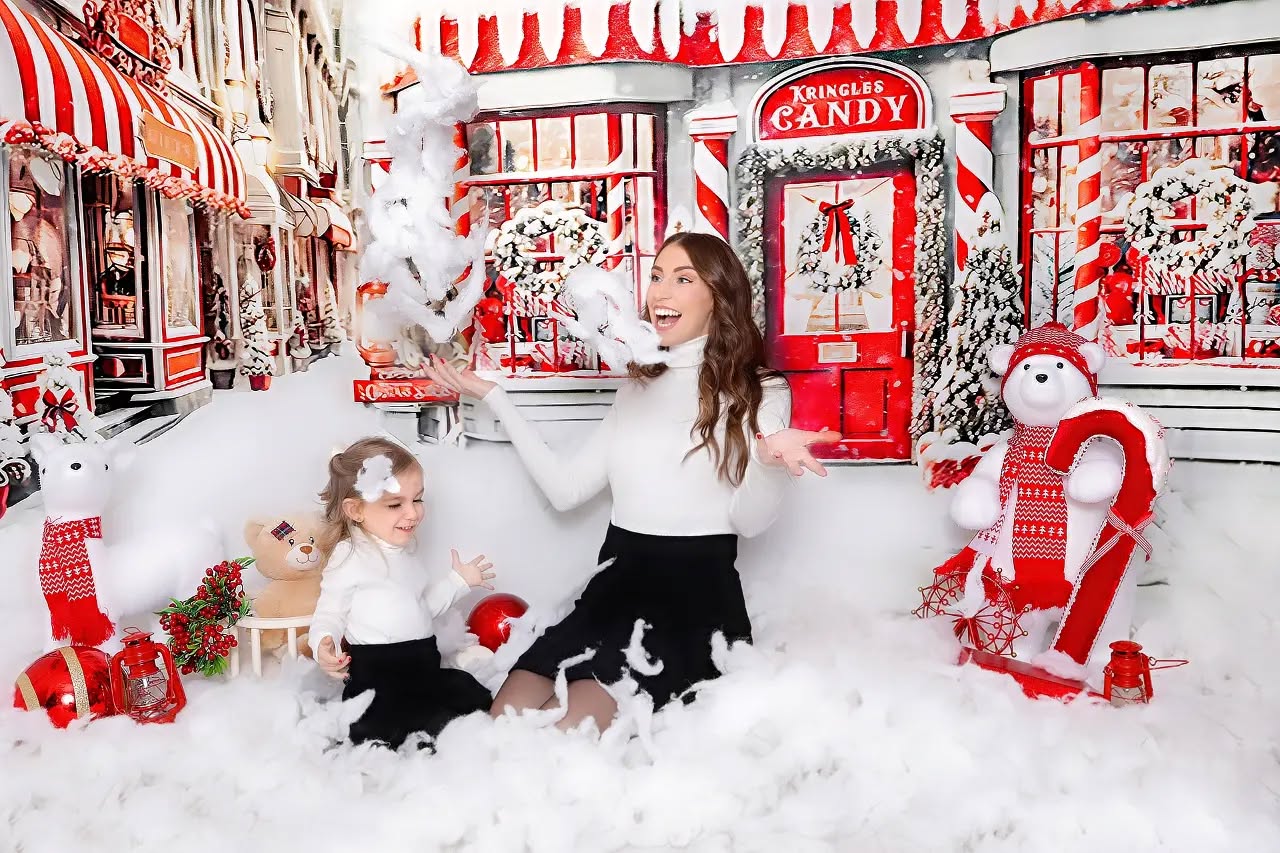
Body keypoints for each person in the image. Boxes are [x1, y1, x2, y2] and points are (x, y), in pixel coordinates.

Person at [425, 232, 840, 733]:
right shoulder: (639, 385)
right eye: (658, 276)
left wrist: (770, 463)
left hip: (692, 599)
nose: (661, 292)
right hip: (614, 586)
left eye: (683, 279)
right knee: (500, 724)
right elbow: (566, 491)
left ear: (719, 296)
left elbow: (749, 523)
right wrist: (496, 398)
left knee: (568, 738)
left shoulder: (761, 390)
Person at [309, 437, 497, 748]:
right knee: (382, 730)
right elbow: (329, 612)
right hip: (379, 679)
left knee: (468, 702)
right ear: (355, 510)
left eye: (418, 499)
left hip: (422, 669)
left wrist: (458, 581)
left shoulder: (405, 552)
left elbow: (419, 608)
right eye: (395, 504)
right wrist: (322, 644)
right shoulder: (350, 557)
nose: (412, 513)